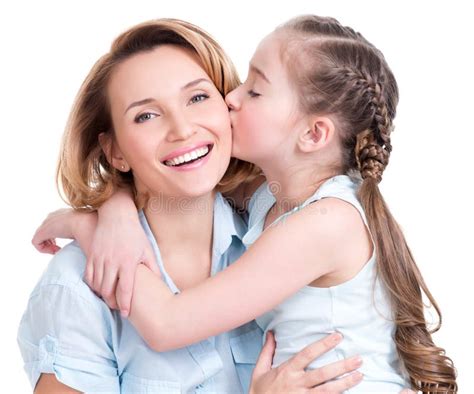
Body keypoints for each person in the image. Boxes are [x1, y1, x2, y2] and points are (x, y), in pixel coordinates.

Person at [34, 14, 459, 393]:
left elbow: (167, 324)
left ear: (314, 135)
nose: (230, 99)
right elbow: (173, 179)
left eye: (203, 97)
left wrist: (85, 226)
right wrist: (109, 214)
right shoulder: (270, 201)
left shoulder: (315, 220)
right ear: (115, 151)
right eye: (146, 115)